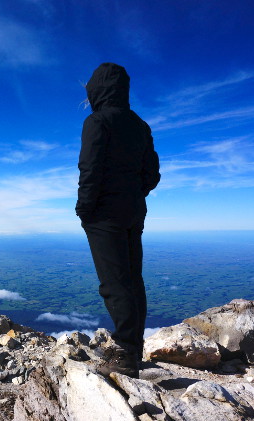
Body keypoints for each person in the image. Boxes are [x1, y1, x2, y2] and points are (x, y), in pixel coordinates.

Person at [76, 62, 160, 377]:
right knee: (132, 279)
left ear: (97, 90)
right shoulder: (140, 125)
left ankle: (124, 355)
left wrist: (85, 208)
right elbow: (152, 174)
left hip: (103, 214)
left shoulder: (96, 122)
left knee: (113, 283)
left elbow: (90, 168)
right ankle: (134, 350)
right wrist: (133, 193)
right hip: (133, 211)